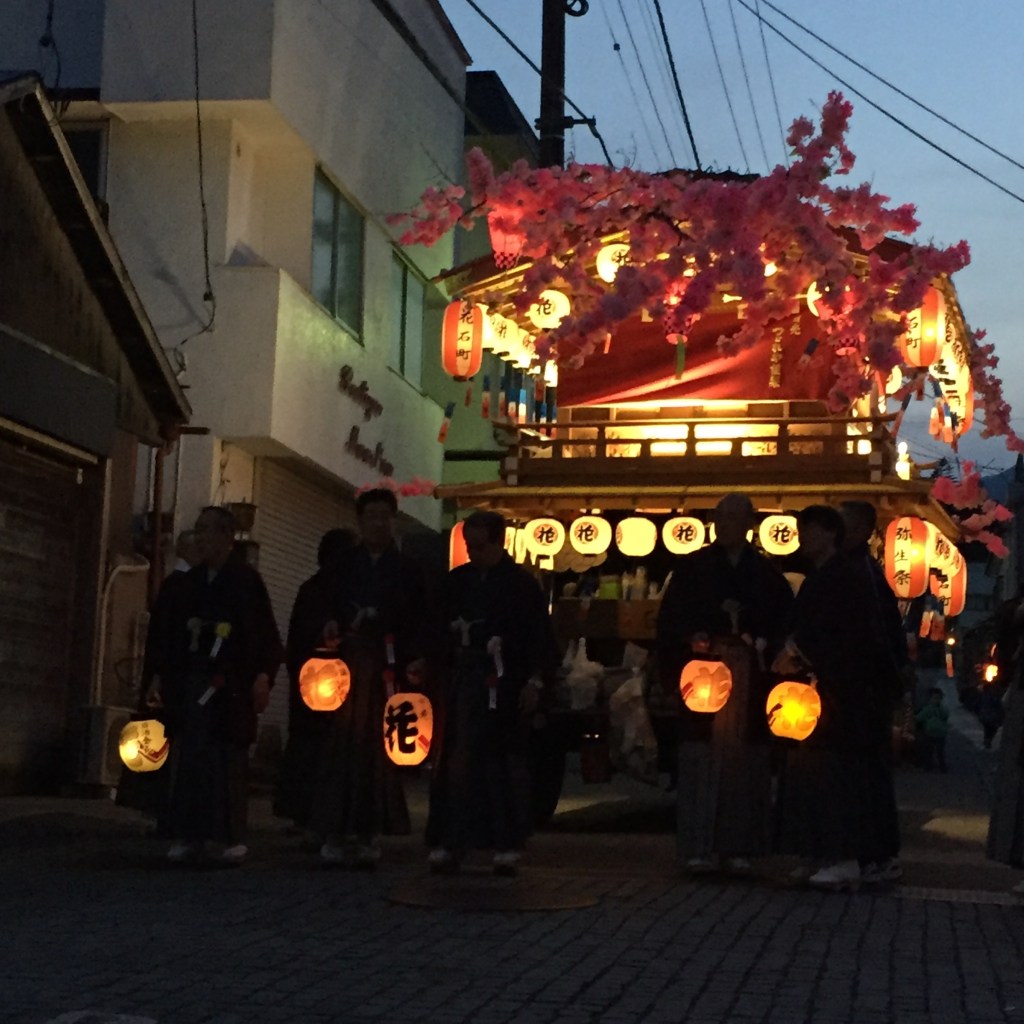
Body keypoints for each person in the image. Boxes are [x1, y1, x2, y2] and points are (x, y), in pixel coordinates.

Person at [655, 493, 794, 873]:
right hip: (702, 673)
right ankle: (698, 848)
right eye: (720, 517)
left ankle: (740, 848)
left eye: (735, 518)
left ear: (750, 524)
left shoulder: (767, 575)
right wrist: (692, 638)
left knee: (746, 763)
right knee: (701, 760)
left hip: (750, 677)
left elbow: (782, 622)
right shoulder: (693, 568)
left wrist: (763, 640)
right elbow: (670, 621)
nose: (726, 524)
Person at [775, 505, 905, 891]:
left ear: (831, 534)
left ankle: (846, 857)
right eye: (803, 531)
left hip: (846, 695)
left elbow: (849, 636)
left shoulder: (847, 577)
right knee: (815, 775)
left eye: (812, 531)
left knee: (841, 777)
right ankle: (821, 852)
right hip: (827, 690)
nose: (805, 538)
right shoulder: (830, 576)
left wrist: (799, 650)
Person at [146, 506, 283, 865]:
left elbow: (265, 636)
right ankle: (186, 834)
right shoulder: (188, 584)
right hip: (191, 680)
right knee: (189, 758)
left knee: (226, 762)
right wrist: (159, 675)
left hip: (232, 685)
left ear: (227, 536)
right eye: (198, 530)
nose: (201, 537)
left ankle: (228, 836)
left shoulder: (245, 581)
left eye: (208, 530)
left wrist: (262, 676)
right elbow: (167, 635)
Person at [425, 510, 557, 876]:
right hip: (463, 682)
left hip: (505, 684)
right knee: (456, 762)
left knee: (503, 763)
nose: (473, 553)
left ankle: (506, 842)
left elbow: (540, 639)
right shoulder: (455, 583)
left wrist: (535, 681)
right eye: (470, 546)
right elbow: (434, 629)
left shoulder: (522, 586)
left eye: (480, 546)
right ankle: (452, 840)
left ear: (499, 543)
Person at [310, 488, 428, 868]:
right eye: (371, 515)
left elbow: (418, 619)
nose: (378, 522)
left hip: (385, 668)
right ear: (360, 521)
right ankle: (333, 829)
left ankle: (367, 831)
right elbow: (323, 605)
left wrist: (413, 658)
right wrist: (330, 624)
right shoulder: (343, 565)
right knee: (338, 749)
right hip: (344, 667)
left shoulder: (408, 569)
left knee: (376, 751)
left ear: (393, 520)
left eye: (384, 516)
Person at [839, 500, 908, 884]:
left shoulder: (863, 573)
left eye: (846, 525)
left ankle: (874, 854)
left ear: (864, 530)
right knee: (862, 776)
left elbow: (879, 637)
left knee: (866, 776)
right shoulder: (859, 571)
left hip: (864, 691)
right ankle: (871, 853)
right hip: (865, 689)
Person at [274, 528, 357, 833]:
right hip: (329, 682)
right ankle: (319, 814)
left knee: (310, 749)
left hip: (312, 682)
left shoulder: (313, 589)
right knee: (323, 750)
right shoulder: (336, 590)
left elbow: (296, 640)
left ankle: (304, 812)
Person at [915, 686, 950, 771]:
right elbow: (946, 716)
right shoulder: (943, 709)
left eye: (937, 698)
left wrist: (914, 717)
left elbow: (919, 717)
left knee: (929, 751)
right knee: (940, 752)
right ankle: (942, 767)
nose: (936, 700)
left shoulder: (927, 709)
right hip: (941, 733)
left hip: (930, 733)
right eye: (935, 698)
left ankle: (929, 766)